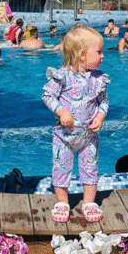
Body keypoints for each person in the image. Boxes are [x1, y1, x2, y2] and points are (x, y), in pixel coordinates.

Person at [41, 25, 108, 223]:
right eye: (99, 52)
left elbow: (103, 101)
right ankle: (62, 202)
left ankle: (89, 202)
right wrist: (61, 111)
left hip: (88, 137)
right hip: (64, 136)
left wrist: (100, 116)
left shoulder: (98, 79)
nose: (102, 56)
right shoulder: (62, 76)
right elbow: (47, 95)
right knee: (61, 168)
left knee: (90, 168)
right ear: (81, 55)